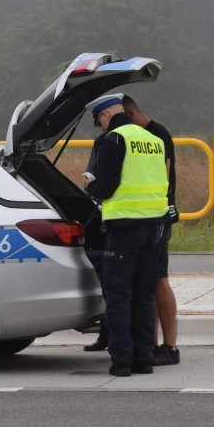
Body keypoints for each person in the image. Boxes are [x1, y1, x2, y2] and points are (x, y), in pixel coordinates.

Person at [83, 93, 168, 377]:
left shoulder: (114, 139)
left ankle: (121, 363)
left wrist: (91, 187)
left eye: (99, 122)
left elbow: (106, 186)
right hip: (154, 227)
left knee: (119, 296)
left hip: (124, 228)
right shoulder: (152, 140)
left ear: (106, 115)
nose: (101, 127)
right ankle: (143, 361)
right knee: (143, 297)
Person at [122, 95, 180, 366]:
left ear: (131, 114)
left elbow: (162, 177)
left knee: (158, 281)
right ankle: (151, 344)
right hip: (146, 217)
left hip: (156, 218)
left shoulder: (157, 135)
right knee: (147, 283)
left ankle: (169, 346)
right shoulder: (145, 135)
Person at [82, 131, 110, 352]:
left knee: (115, 290)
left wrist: (92, 186)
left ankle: (112, 339)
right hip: (112, 220)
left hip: (116, 223)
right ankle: (107, 336)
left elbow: (101, 184)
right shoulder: (103, 141)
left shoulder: (112, 141)